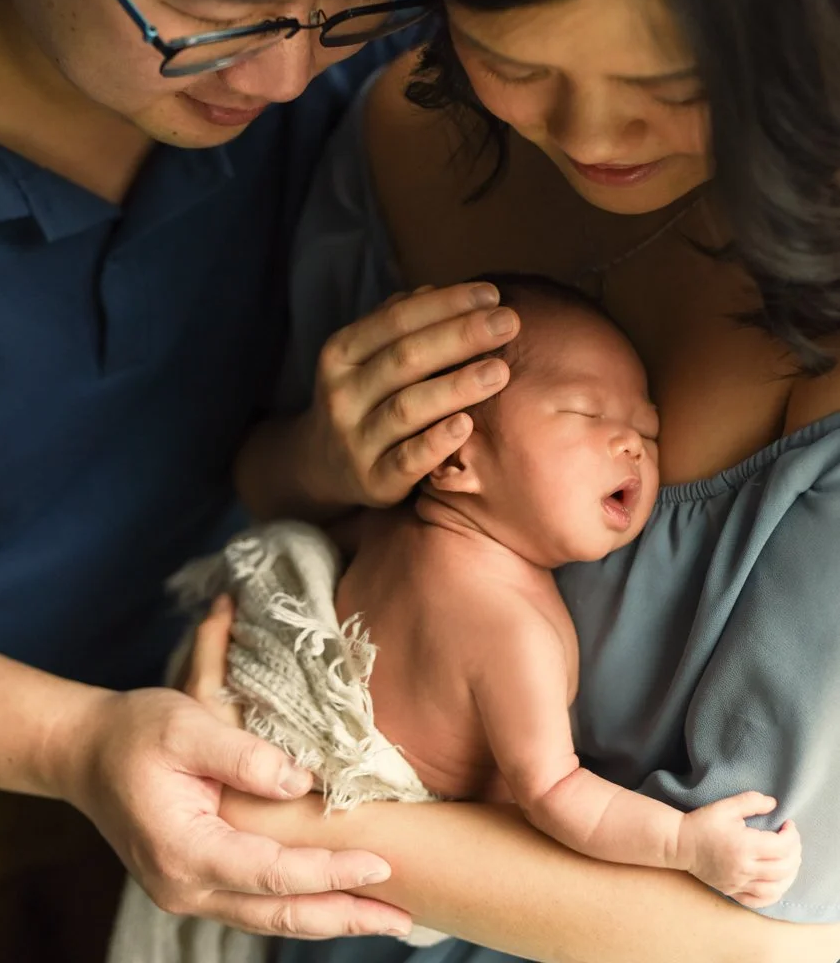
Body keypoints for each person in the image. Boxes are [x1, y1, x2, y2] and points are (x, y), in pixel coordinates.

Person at [213, 0, 840, 961]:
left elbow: (768, 936)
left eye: (672, 91)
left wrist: (270, 807)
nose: (590, 141)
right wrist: (320, 458)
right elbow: (268, 514)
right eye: (517, 62)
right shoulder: (415, 134)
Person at [0, 0, 461, 958]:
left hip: (216, 702)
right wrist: (68, 745)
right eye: (215, 20)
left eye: (351, 4)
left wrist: (312, 462)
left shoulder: (369, 55)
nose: (285, 77)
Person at [334, 277, 799, 908]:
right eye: (584, 412)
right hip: (382, 852)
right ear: (453, 458)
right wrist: (684, 843)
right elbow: (555, 794)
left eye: (648, 430)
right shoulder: (509, 628)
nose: (632, 443)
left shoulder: (389, 529)